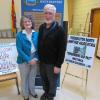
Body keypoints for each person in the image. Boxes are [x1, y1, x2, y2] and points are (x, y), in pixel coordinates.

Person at [38, 4, 67, 100]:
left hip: (52, 63)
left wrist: (58, 65)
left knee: (52, 81)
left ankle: (51, 95)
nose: (47, 15)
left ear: (54, 15)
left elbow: (62, 49)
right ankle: (46, 92)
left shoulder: (60, 30)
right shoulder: (41, 27)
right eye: (46, 13)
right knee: (44, 79)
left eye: (50, 13)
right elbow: (39, 43)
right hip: (42, 61)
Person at [16, 15, 38, 100]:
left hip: (34, 58)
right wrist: (28, 60)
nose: (27, 23)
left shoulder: (36, 34)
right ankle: (25, 94)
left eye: (29, 21)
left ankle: (32, 91)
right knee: (24, 78)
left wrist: (36, 58)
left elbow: (39, 48)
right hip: (23, 59)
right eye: (25, 21)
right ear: (22, 24)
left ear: (32, 22)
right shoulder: (19, 35)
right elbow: (19, 50)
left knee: (32, 77)